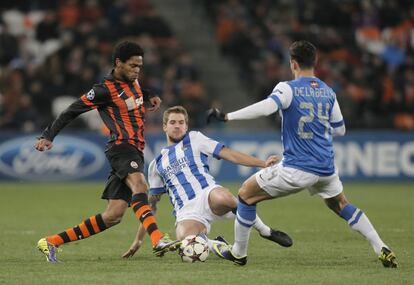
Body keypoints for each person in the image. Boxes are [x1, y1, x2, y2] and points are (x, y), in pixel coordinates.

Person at [206, 40, 397, 268]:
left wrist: (228, 116)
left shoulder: (287, 88)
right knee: (340, 204)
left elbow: (268, 107)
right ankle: (381, 247)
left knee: (246, 194)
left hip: (297, 168)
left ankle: (238, 252)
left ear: (293, 63)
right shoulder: (328, 92)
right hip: (326, 168)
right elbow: (340, 129)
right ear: (314, 63)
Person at [35, 41, 180, 262]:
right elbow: (71, 111)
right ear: (118, 63)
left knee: (113, 216)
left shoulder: (134, 80)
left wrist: (150, 94)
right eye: (133, 66)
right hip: (121, 148)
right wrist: (48, 135)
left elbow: (138, 91)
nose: (137, 70)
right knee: (141, 186)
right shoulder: (102, 91)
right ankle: (158, 239)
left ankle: (51, 241)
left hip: (134, 150)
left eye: (140, 66)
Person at [122, 106, 292, 258]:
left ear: (186, 126)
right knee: (186, 240)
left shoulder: (195, 139)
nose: (177, 125)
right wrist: (138, 240)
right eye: (173, 122)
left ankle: (265, 231)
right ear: (165, 127)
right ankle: (215, 244)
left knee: (225, 197)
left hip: (207, 194)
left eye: (181, 122)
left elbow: (230, 154)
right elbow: (151, 206)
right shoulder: (156, 164)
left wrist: (262, 163)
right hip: (186, 211)